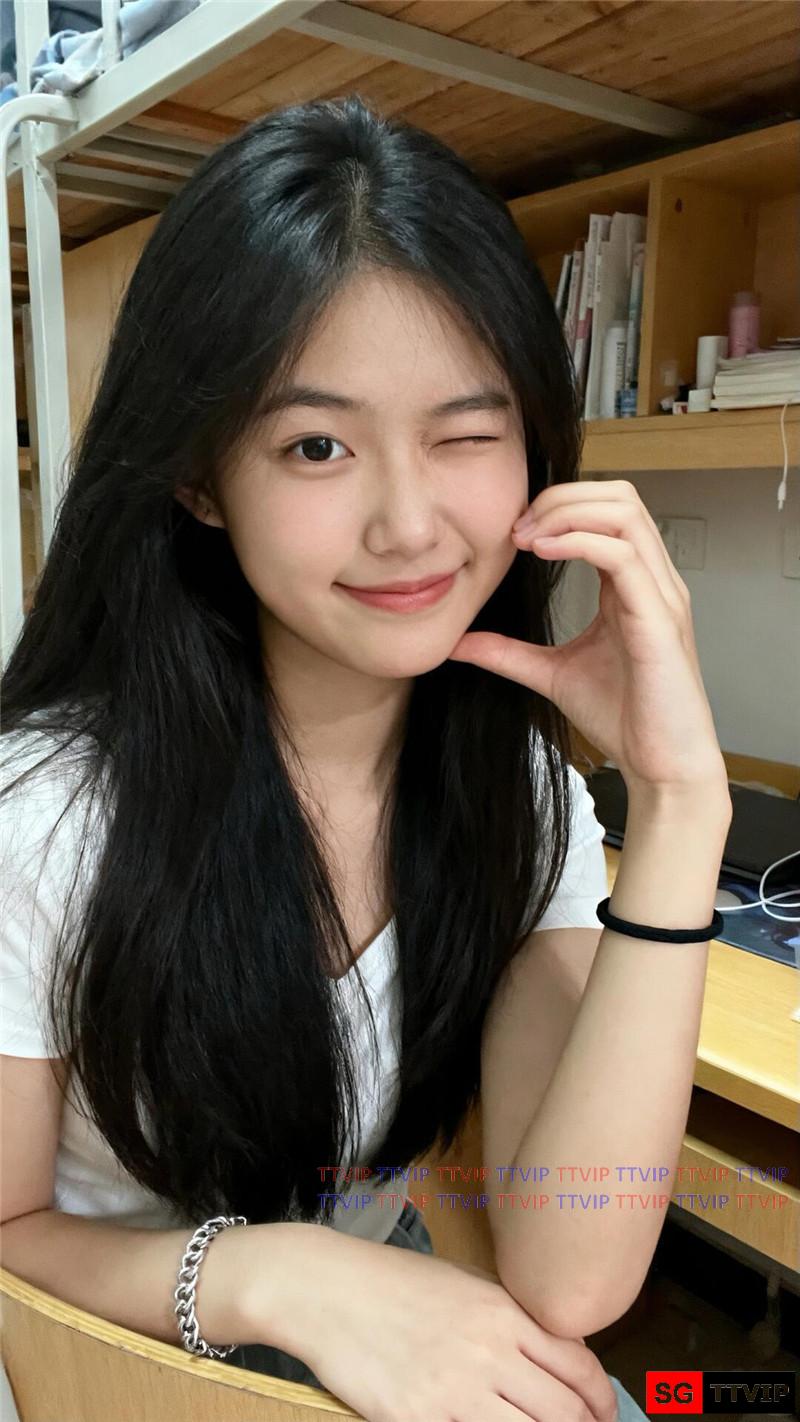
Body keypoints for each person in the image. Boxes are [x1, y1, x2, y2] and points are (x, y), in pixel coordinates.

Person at [1, 95, 732, 1422]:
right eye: (317, 445)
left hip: (373, 1317)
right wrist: (281, 1274)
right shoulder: (45, 815)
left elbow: (573, 1267)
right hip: (128, 1357)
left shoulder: (515, 790)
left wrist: (682, 805)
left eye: (466, 431)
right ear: (199, 477)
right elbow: (6, 1230)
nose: (409, 523)